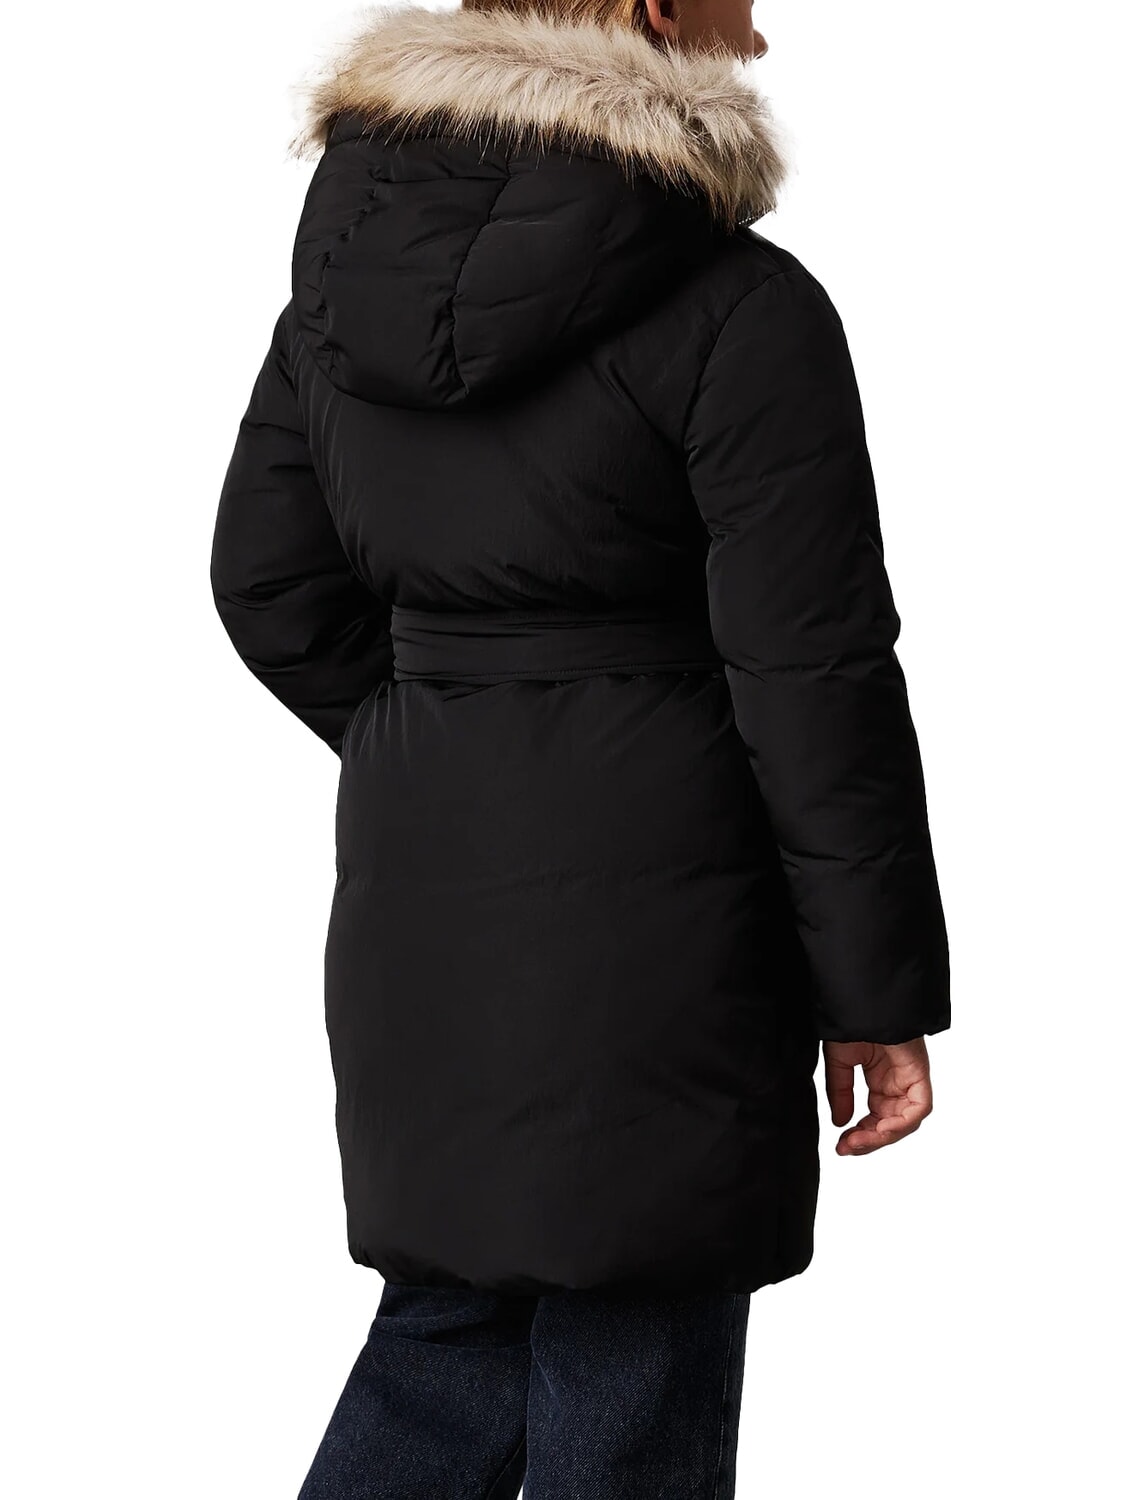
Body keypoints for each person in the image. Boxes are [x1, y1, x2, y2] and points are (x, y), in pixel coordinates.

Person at [209, 1, 951, 1494]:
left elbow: (267, 581)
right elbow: (810, 673)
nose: (760, 31)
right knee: (637, 1348)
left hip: (428, 887)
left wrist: (449, 744)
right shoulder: (739, 305)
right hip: (673, 909)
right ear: (651, 7)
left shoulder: (339, 292)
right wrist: (874, 989)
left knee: (449, 1329)